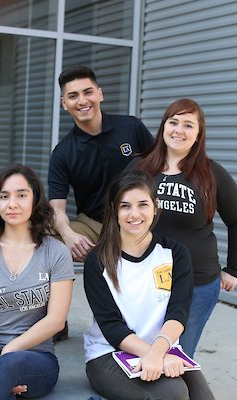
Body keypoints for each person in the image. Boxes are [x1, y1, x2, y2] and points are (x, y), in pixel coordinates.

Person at [130, 98, 237, 358]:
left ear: (198, 135)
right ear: (163, 127)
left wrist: (234, 269)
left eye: (188, 125)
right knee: (140, 353)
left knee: (177, 355)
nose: (179, 130)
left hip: (196, 282)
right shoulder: (139, 169)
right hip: (143, 280)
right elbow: (116, 215)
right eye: (173, 122)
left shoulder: (212, 174)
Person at [83, 170, 215, 400]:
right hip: (109, 353)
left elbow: (179, 311)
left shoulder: (175, 254)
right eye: (125, 206)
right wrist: (156, 356)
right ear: (114, 209)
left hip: (164, 347)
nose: (135, 214)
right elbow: (112, 327)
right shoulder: (98, 260)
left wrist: (160, 352)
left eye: (143, 204)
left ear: (155, 206)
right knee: (173, 394)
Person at [0, 164, 75, 400]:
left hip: (36, 359)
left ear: (35, 201)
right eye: (4, 196)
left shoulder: (56, 253)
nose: (12, 204)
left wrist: (9, 352)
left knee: (9, 366)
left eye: (21, 195)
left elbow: (56, 321)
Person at [48, 66, 154, 263]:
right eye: (73, 96)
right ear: (64, 103)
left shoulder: (132, 127)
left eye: (88, 92)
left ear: (100, 94)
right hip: (96, 226)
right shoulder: (62, 153)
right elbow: (56, 209)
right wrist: (68, 235)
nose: (82, 101)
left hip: (140, 217)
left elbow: (161, 166)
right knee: (40, 238)